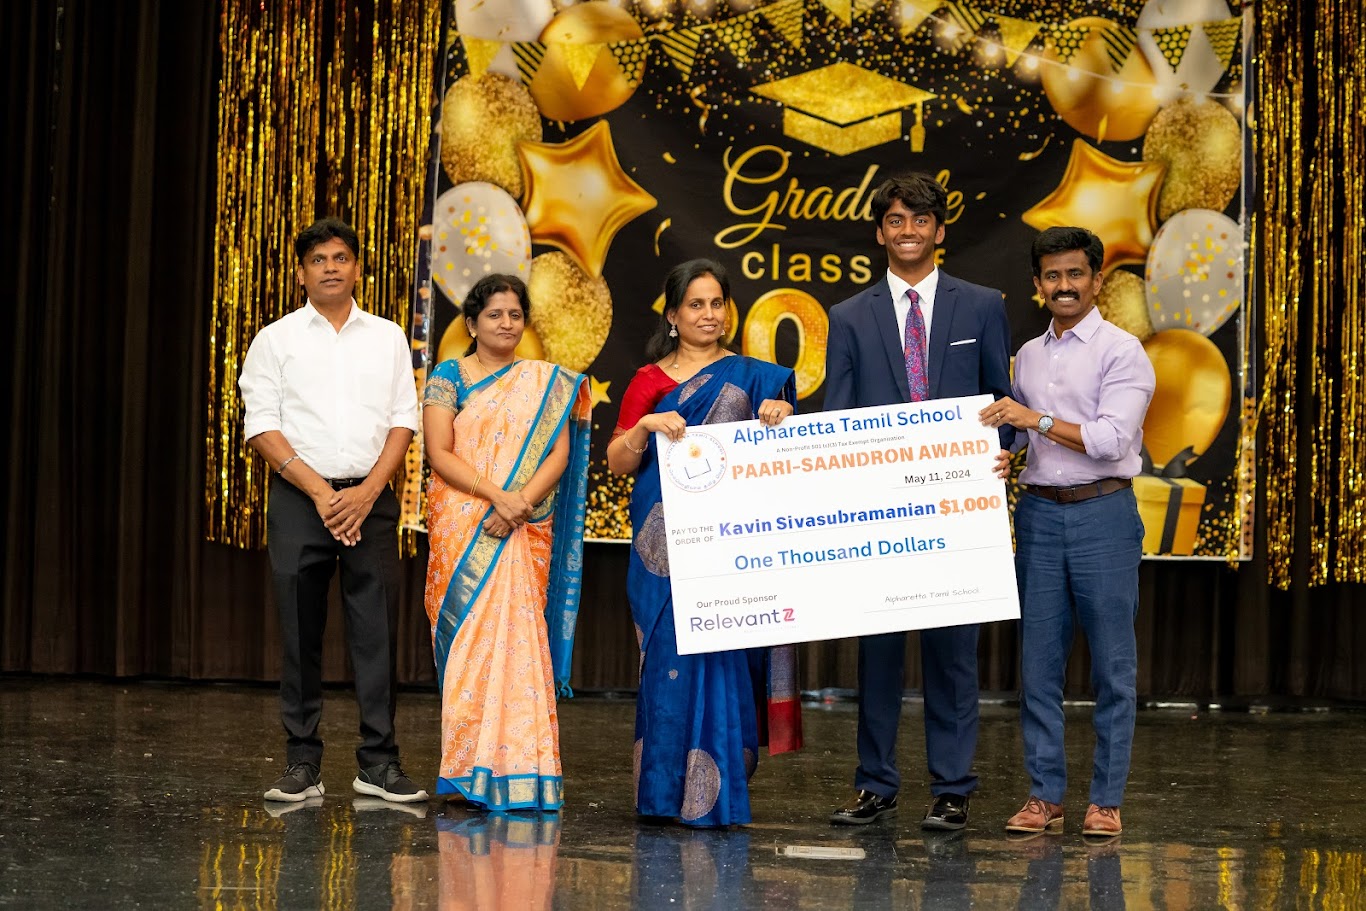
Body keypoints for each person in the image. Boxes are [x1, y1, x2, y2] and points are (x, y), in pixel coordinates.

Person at [824, 173, 1013, 830]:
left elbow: (1002, 400)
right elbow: (837, 418)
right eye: (896, 221)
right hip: (879, 513)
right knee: (877, 654)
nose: (909, 231)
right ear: (880, 232)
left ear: (940, 230)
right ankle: (875, 783)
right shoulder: (848, 316)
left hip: (958, 510)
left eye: (920, 220)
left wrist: (1004, 449)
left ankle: (953, 787)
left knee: (952, 654)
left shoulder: (982, 306)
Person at [607, 258, 803, 827]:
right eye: (696, 304)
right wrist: (645, 426)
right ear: (672, 315)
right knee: (669, 661)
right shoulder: (649, 381)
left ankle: (718, 797)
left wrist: (784, 415)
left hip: (728, 547)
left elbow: (788, 460)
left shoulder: (756, 378)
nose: (709, 314)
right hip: (663, 549)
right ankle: (662, 794)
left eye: (717, 303)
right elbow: (618, 462)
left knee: (723, 659)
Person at [240, 216, 426, 804]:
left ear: (357, 268)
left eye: (340, 258)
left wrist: (367, 492)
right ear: (301, 273)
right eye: (317, 260)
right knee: (300, 632)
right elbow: (261, 426)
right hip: (301, 500)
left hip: (371, 500)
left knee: (377, 632)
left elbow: (404, 419)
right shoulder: (275, 339)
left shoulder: (387, 337)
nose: (329, 268)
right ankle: (302, 762)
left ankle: (379, 764)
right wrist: (322, 493)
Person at [979, 226, 1154, 838]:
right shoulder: (1028, 355)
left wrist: (1035, 420)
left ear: (1097, 280)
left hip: (1104, 514)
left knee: (1113, 669)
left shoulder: (1123, 352)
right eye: (1052, 276)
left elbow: (1109, 440)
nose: (1064, 285)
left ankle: (1105, 801)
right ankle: (1044, 796)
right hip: (1038, 516)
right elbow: (1030, 438)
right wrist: (1012, 454)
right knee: (1038, 667)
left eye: (1075, 274)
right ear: (1037, 284)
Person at [422, 273, 591, 812]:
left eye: (515, 314)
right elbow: (438, 452)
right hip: (466, 523)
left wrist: (519, 504)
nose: (506, 323)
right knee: (469, 646)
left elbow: (559, 454)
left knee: (520, 644)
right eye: (494, 314)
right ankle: (466, 770)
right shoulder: (448, 376)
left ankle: (523, 773)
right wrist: (498, 496)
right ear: (472, 324)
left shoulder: (544, 383)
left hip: (521, 524)